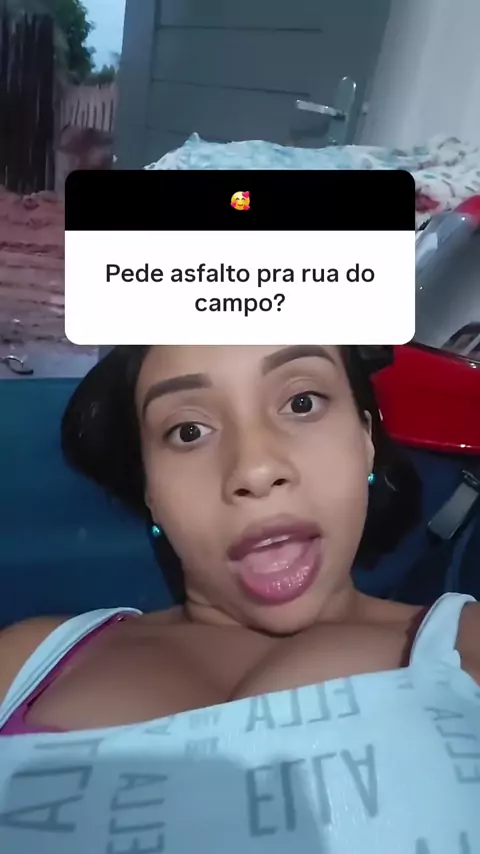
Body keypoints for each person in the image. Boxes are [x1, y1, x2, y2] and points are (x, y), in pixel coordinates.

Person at [0, 345, 478, 854]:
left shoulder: (466, 641)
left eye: (301, 403)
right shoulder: (27, 658)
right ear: (150, 489)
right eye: (188, 431)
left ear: (366, 440)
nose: (255, 470)